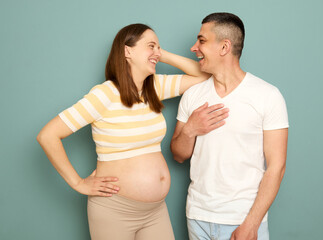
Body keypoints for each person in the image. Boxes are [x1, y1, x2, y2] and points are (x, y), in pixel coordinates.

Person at [37, 23, 209, 240]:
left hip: (155, 211)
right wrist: (78, 183)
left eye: (158, 47)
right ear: (128, 51)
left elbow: (204, 76)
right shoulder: (104, 94)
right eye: (150, 46)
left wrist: (159, 54)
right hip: (114, 211)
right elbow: (48, 135)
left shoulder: (154, 87)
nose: (156, 51)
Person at [171, 13, 289, 240]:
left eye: (202, 41)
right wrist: (190, 129)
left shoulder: (268, 96)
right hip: (198, 218)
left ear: (224, 46)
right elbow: (178, 155)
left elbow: (277, 167)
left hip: (242, 221)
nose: (194, 47)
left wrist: (251, 224)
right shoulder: (193, 95)